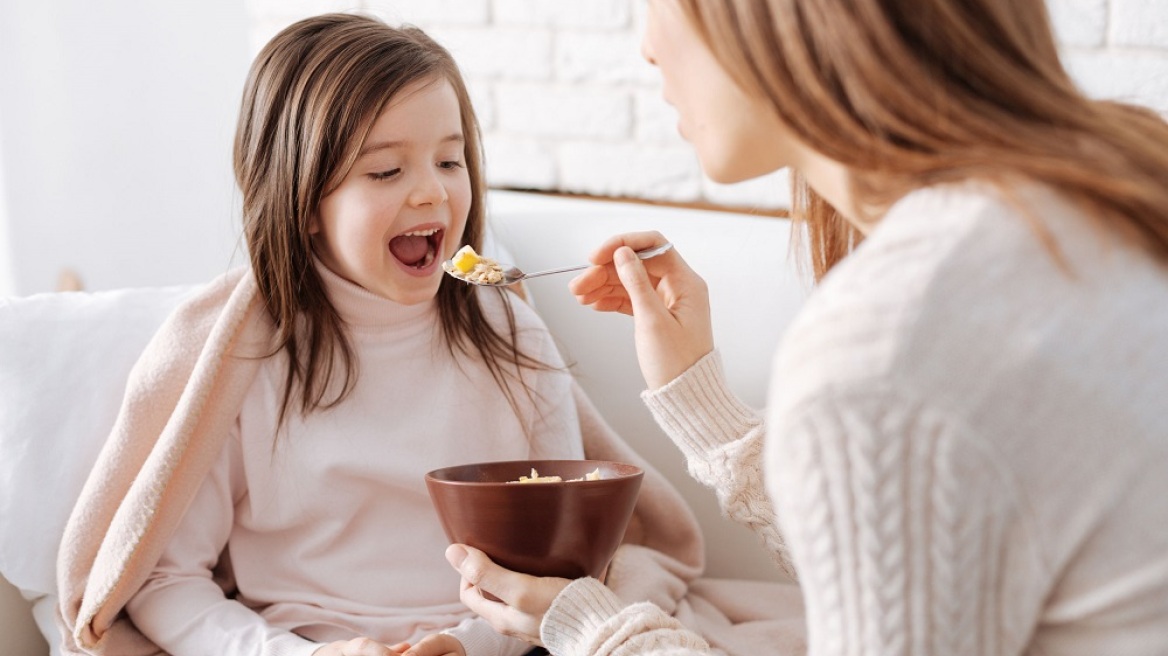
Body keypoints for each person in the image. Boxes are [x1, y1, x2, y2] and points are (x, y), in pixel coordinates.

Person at [444, 0, 1168, 654]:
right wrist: (703, 404)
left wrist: (591, 628)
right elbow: (911, 560)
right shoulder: (1112, 187)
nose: (647, 47)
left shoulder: (890, 342)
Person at [107, 13, 584, 656]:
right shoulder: (246, 359)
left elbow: (568, 552)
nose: (432, 193)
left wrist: (471, 643)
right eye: (386, 172)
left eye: (449, 159)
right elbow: (164, 580)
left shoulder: (511, 333)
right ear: (303, 203)